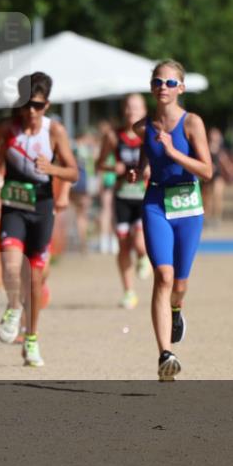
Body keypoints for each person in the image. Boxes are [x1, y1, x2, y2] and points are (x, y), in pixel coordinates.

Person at [0, 72, 78, 367]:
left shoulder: (55, 132)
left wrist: (52, 168)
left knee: (35, 277)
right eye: (26, 104)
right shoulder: (7, 128)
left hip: (41, 207)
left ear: (46, 105)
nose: (30, 111)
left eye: (37, 105)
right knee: (11, 266)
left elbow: (73, 172)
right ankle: (13, 307)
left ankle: (32, 339)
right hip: (13, 204)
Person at [127, 60, 212, 381]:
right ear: (152, 87)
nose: (164, 87)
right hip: (156, 203)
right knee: (163, 275)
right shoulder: (143, 127)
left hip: (188, 205)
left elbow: (207, 171)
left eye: (171, 83)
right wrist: (140, 168)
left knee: (179, 284)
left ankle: (177, 309)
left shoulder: (192, 124)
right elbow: (146, 153)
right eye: (158, 82)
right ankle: (165, 355)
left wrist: (173, 152)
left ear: (182, 88)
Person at [100, 93, 151, 309]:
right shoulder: (114, 136)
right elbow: (100, 163)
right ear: (124, 110)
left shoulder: (149, 134)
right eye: (129, 108)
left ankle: (143, 256)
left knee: (138, 241)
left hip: (144, 196)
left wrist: (149, 171)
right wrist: (114, 168)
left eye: (137, 108)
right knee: (123, 246)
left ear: (145, 111)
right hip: (122, 196)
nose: (132, 112)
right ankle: (129, 292)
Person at [202, 127, 233, 227]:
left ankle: (217, 218)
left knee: (218, 195)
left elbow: (225, 162)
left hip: (218, 176)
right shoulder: (205, 148)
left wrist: (232, 173)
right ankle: (207, 217)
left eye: (216, 135)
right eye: (213, 134)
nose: (215, 136)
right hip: (208, 176)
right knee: (207, 198)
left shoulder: (220, 150)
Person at [95, 121, 119, 253]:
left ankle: (109, 241)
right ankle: (108, 240)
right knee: (109, 211)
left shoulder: (104, 146)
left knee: (108, 211)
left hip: (112, 180)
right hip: (110, 180)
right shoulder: (113, 146)